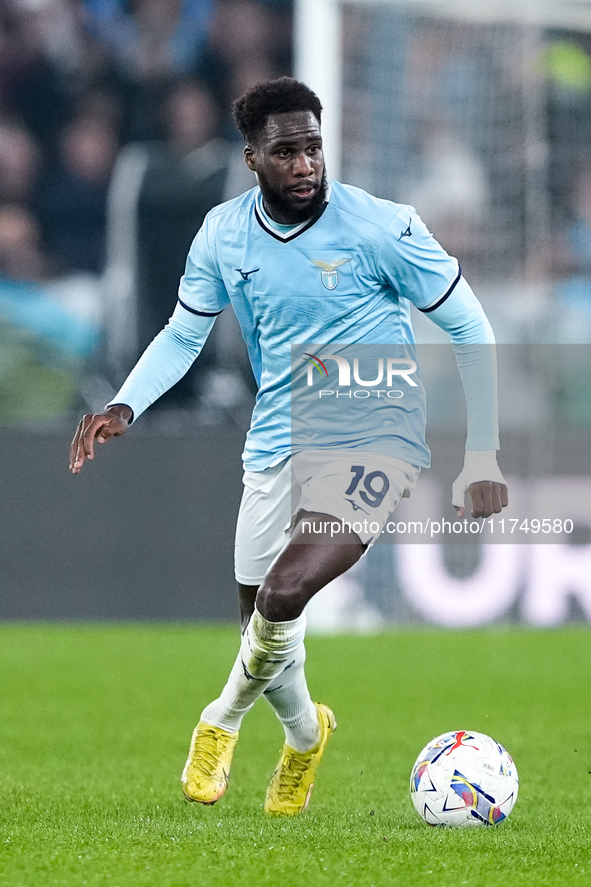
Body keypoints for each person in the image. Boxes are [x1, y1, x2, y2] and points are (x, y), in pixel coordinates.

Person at [69, 77, 508, 816]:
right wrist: (126, 401)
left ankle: (220, 719)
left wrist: (484, 453)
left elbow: (471, 327)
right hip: (277, 438)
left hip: (377, 436)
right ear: (251, 159)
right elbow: (184, 332)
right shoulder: (222, 234)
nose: (304, 164)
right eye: (285, 152)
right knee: (261, 628)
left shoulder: (381, 226)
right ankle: (306, 735)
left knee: (282, 592)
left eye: (313, 147)